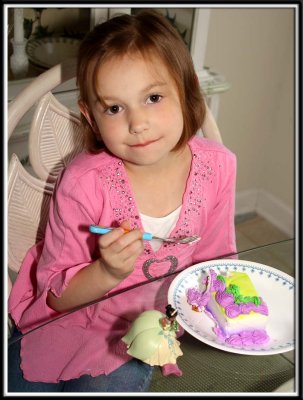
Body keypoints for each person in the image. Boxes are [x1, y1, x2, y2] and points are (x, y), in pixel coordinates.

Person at [8, 9, 237, 392]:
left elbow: (215, 265)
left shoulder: (218, 167)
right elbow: (56, 299)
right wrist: (108, 272)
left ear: (187, 88)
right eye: (114, 108)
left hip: (145, 330)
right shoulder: (83, 182)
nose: (137, 123)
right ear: (91, 117)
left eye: (153, 97)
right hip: (73, 318)